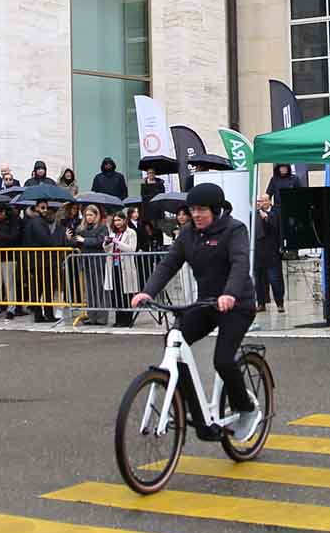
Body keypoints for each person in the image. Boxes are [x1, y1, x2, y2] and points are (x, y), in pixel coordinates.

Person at [133, 182, 262, 439]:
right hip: (205, 304)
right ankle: (200, 416)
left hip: (237, 305)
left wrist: (230, 294)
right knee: (175, 342)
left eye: (201, 210)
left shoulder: (234, 230)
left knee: (223, 360)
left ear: (215, 210)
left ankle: (247, 409)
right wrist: (147, 291)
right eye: (192, 210)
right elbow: (168, 264)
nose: (196, 215)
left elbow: (239, 263)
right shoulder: (188, 234)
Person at [18, 199, 69, 321]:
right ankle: (46, 314)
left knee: (41, 288)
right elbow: (46, 240)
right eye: (42, 208)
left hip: (39, 260)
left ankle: (41, 314)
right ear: (36, 208)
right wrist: (62, 240)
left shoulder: (36, 221)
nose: (45, 210)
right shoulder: (37, 222)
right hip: (41, 261)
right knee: (45, 288)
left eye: (46, 208)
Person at [252, 193, 286, 313]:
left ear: (269, 201)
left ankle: (280, 303)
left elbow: (275, 228)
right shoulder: (255, 214)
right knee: (259, 279)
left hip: (272, 250)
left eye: (264, 201)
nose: (262, 203)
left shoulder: (275, 213)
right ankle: (261, 303)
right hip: (258, 251)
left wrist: (265, 217)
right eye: (260, 201)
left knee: (275, 278)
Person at [106, 211, 138, 326]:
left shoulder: (131, 233)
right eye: (115, 220)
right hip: (114, 266)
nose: (117, 223)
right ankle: (118, 319)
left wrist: (117, 242)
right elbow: (107, 249)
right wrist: (107, 243)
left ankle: (127, 320)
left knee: (126, 293)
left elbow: (131, 249)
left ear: (124, 220)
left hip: (126, 266)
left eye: (119, 220)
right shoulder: (113, 233)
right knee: (116, 293)